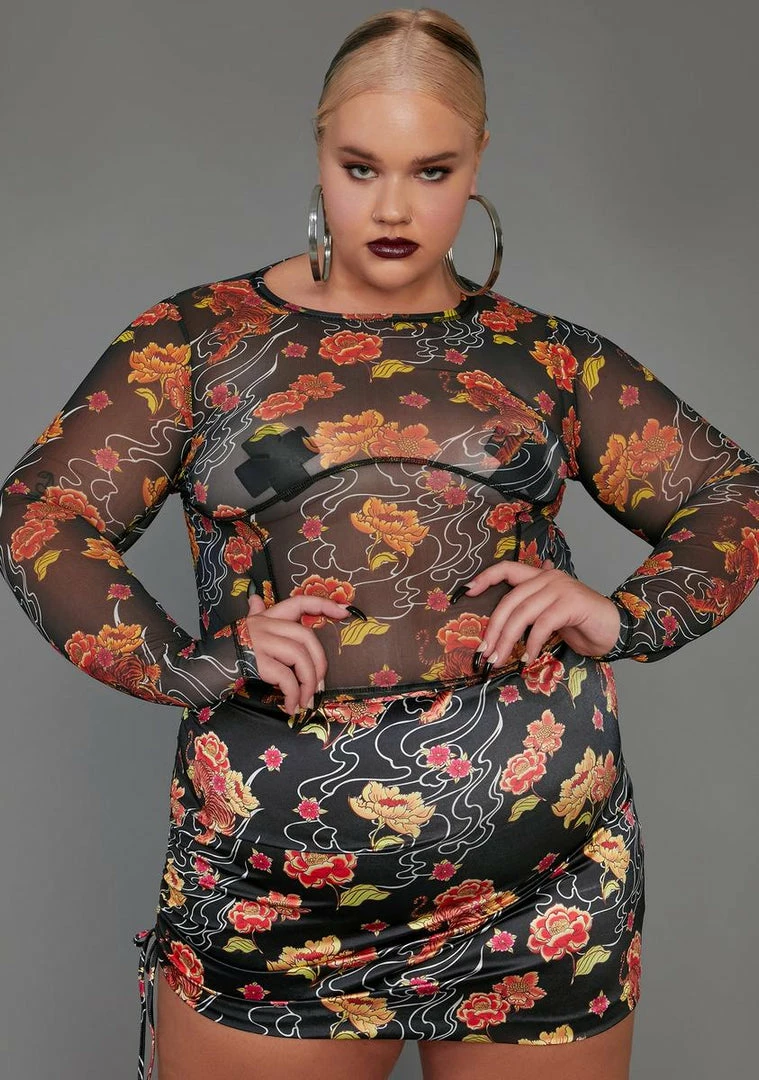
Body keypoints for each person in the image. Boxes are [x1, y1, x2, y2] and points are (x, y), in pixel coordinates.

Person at [1, 7, 758, 1079]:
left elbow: (729, 496)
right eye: (360, 167)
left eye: (431, 170)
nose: (393, 207)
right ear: (319, 152)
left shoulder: (542, 355)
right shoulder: (200, 343)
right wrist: (181, 662)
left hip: (545, 899)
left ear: (477, 162)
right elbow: (43, 514)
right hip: (274, 903)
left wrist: (627, 615)